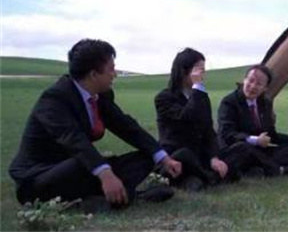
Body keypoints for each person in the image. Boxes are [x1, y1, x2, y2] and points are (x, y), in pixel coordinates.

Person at [8, 39, 182, 213]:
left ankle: (100, 198)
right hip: (40, 178)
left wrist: (163, 157)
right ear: (93, 74)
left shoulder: (100, 95)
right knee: (87, 165)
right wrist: (105, 173)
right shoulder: (55, 98)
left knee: (147, 155)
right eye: (111, 69)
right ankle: (126, 196)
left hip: (83, 168)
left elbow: (127, 127)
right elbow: (73, 139)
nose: (115, 74)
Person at [154, 48, 246, 190]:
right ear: (184, 70)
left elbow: (208, 131)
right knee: (184, 155)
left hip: (201, 155)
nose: (202, 74)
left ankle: (202, 177)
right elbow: (185, 117)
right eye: (199, 70)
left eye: (203, 70)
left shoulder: (201, 96)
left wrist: (214, 158)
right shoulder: (164, 98)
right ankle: (209, 177)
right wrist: (197, 87)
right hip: (178, 155)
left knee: (241, 148)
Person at [217, 64, 288, 177]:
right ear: (244, 80)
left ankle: (258, 169)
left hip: (259, 151)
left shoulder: (265, 103)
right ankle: (279, 170)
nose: (252, 86)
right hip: (237, 149)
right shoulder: (229, 102)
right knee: (244, 148)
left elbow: (271, 135)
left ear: (265, 88)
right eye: (251, 81)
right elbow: (227, 134)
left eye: (259, 84)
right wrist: (255, 140)